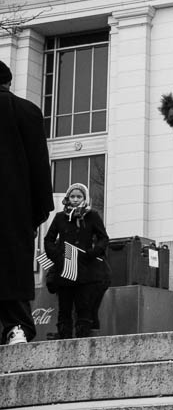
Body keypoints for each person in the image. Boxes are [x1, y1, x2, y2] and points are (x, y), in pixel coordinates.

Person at [0, 60, 54, 345]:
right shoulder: (27, 111)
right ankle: (16, 328)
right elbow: (39, 167)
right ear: (9, 82)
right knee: (12, 266)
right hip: (14, 209)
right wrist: (36, 213)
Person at [43, 183, 110, 339]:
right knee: (64, 306)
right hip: (64, 267)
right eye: (72, 196)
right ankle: (64, 335)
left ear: (84, 198)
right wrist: (57, 256)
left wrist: (92, 253)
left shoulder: (92, 215)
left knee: (84, 305)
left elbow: (103, 238)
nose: (75, 199)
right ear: (68, 198)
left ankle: (82, 337)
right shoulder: (60, 217)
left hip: (85, 268)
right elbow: (48, 240)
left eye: (79, 196)